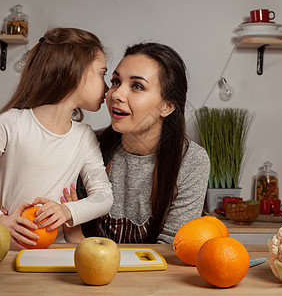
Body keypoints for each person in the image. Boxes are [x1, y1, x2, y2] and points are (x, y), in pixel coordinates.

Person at [0, 27, 113, 248]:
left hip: (57, 252)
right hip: (7, 251)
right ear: (72, 73)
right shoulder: (11, 123)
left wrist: (67, 211)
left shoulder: (84, 137)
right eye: (102, 73)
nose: (107, 87)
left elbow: (104, 197)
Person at [75, 42, 210, 244]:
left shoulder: (191, 161)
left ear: (167, 106)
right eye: (115, 81)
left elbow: (172, 246)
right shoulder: (87, 144)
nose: (116, 95)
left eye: (137, 86)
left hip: (155, 274)